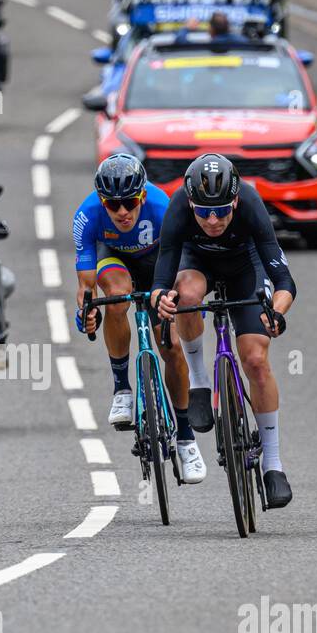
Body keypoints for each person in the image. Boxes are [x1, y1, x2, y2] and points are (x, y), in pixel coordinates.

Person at [151, 154, 297, 508]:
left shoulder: (250, 203)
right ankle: (199, 381)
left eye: (220, 211)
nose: (212, 220)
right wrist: (160, 300)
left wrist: (276, 313)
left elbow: (284, 282)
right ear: (190, 204)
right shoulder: (178, 209)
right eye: (203, 212)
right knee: (185, 295)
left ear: (234, 201)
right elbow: (160, 280)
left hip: (245, 266)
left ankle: (273, 464)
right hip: (196, 263)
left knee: (256, 360)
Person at [73, 154, 206, 483]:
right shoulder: (87, 215)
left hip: (158, 265)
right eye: (113, 204)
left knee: (172, 348)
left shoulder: (162, 207)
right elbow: (86, 286)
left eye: (129, 202)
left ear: (142, 196)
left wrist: (178, 300)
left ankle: (187, 437)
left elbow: (184, 258)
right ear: (102, 201)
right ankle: (122, 390)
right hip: (115, 260)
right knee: (115, 298)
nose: (121, 212)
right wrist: (87, 313)